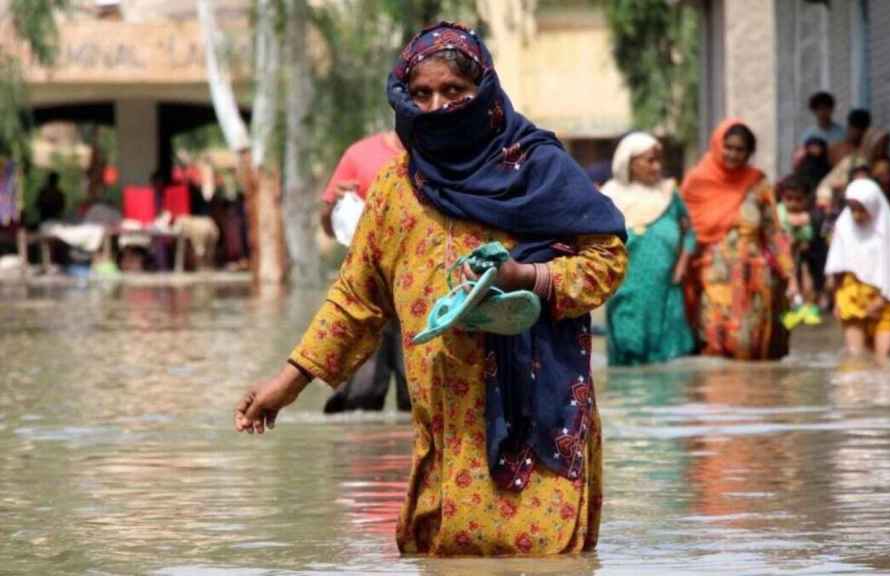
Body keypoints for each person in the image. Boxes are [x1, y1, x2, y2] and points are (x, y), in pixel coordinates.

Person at [234, 23, 627, 556]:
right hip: (445, 425)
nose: (437, 107)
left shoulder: (535, 167)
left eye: (453, 92)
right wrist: (288, 383)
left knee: (540, 557)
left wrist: (526, 277)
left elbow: (607, 259)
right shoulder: (397, 187)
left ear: (482, 92)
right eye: (421, 94)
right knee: (445, 553)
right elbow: (355, 299)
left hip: (536, 418)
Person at [682, 119, 796, 360]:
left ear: (749, 153)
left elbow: (774, 231)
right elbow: (685, 230)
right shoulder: (697, 182)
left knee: (750, 344)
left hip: (753, 279)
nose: (733, 154)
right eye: (728, 147)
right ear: (717, 145)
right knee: (715, 338)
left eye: (740, 149)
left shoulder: (758, 184)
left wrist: (789, 274)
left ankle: (749, 396)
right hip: (714, 275)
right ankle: (717, 397)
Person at [318, 130, 412, 414]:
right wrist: (334, 204)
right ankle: (364, 455)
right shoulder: (358, 154)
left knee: (422, 395)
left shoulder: (446, 154)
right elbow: (328, 227)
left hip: (421, 291)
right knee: (361, 395)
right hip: (368, 288)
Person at [602, 132, 696, 366]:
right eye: (649, 161)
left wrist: (681, 267)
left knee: (665, 351)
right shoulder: (610, 196)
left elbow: (690, 233)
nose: (657, 167)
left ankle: (661, 401)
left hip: (665, 284)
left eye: (658, 160)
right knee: (628, 344)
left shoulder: (669, 193)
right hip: (626, 284)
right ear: (630, 163)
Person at [825, 179, 890, 361]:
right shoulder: (844, 226)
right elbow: (837, 266)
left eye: (861, 209)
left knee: (884, 355)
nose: (856, 215)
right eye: (852, 208)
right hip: (852, 297)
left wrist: (882, 298)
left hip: (884, 299)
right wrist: (836, 300)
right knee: (856, 356)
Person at [777, 175, 826, 308]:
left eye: (798, 199)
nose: (793, 203)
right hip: (782, 257)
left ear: (807, 199)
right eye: (789, 199)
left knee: (806, 273)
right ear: (782, 197)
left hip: (801, 255)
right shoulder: (778, 213)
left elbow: (808, 236)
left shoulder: (809, 215)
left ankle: (809, 301)